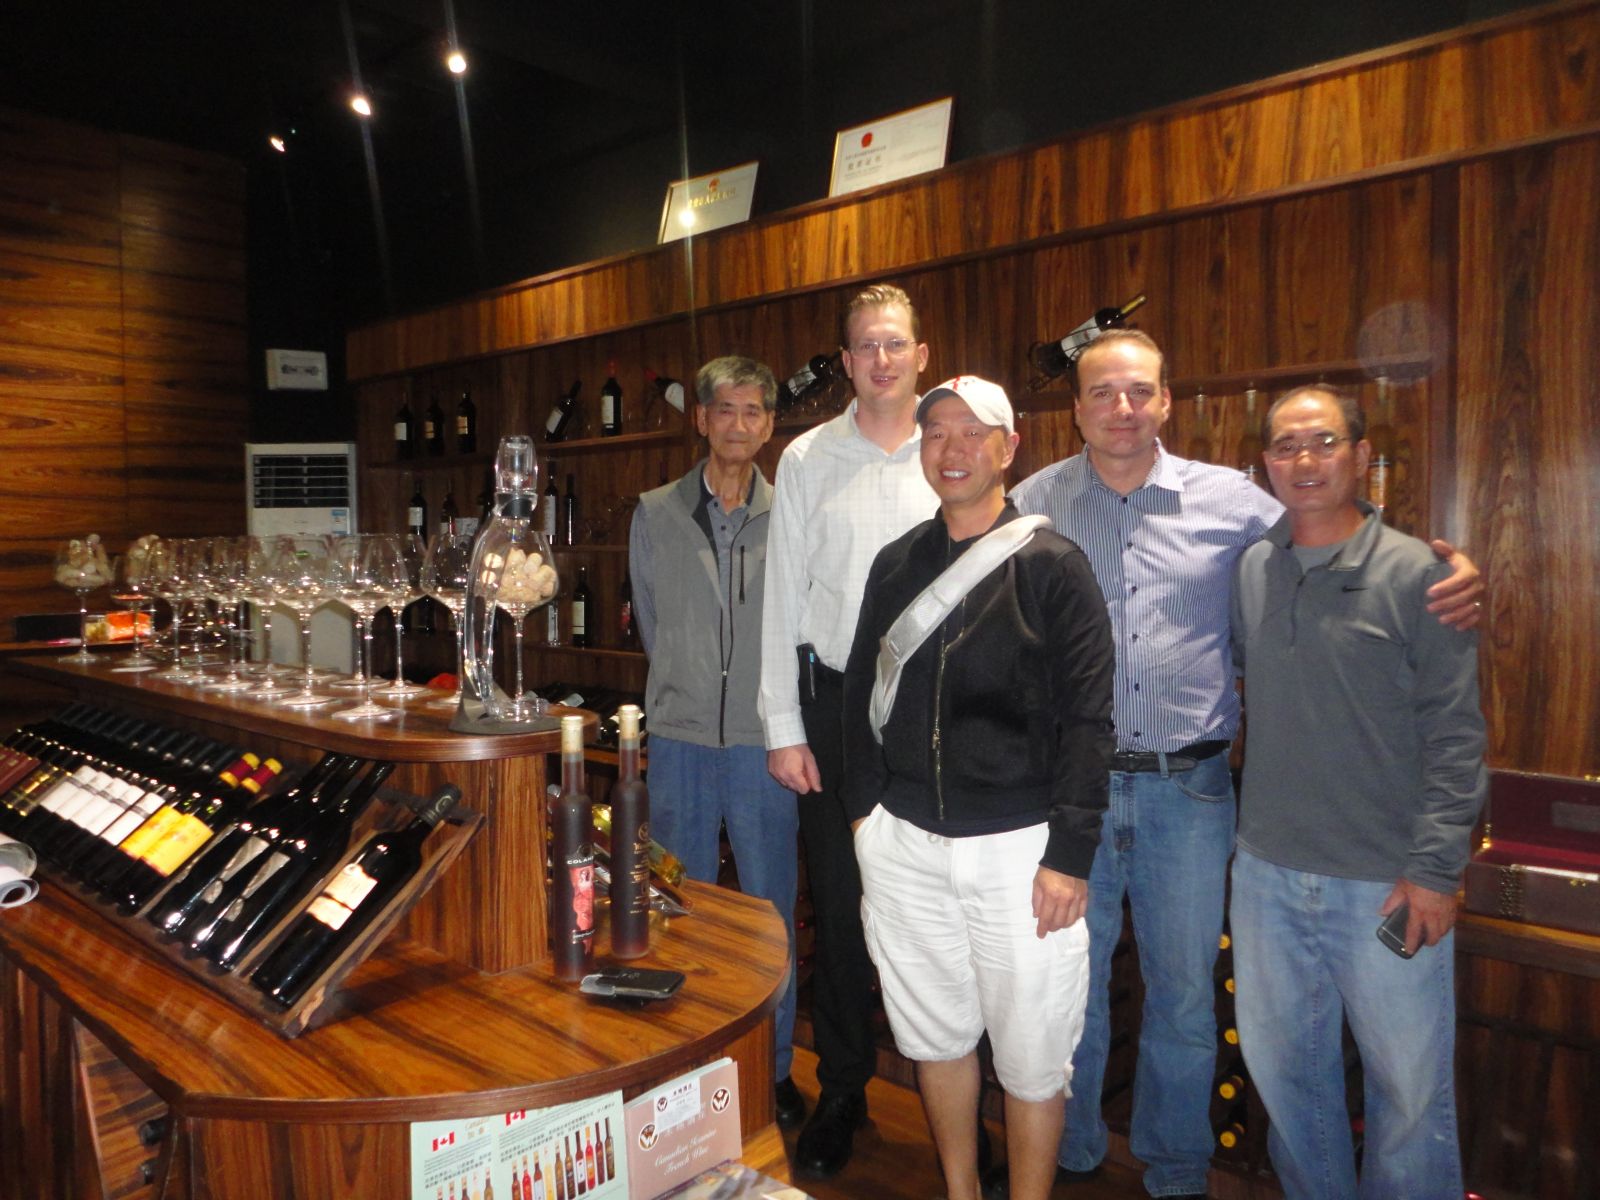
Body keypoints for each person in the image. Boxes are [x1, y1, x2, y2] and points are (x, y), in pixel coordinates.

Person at [1004, 330, 1483, 1199]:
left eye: (1140, 391)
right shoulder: (1034, 503)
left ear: (1166, 402)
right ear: (1075, 409)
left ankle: (1177, 1169)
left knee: (1186, 999)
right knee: (1063, 989)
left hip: (1190, 792)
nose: (1122, 408)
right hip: (1072, 793)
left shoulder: (1235, 503)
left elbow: (1335, 537)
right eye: (1102, 392)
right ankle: (1068, 1153)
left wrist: (1445, 570)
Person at [842, 376, 1114, 1200]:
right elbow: (858, 697)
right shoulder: (897, 563)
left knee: (1033, 1060)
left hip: (1020, 853)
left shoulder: (1054, 566)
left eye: (972, 432)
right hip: (905, 843)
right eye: (936, 433)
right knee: (935, 1038)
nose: (952, 449)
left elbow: (1088, 721)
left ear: (1008, 448)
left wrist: (1070, 854)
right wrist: (864, 816)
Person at [1228, 384, 1486, 1198]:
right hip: (1265, 876)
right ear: (1265, 463)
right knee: (1287, 1083)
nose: (1304, 460)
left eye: (1324, 442)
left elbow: (1456, 736)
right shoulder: (1253, 569)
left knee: (1408, 1095)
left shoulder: (1421, 575)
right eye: (1285, 446)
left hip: (1385, 884)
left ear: (1362, 455)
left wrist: (1436, 871)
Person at [759, 282, 938, 1178]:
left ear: (921, 355)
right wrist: (782, 727)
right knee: (837, 906)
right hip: (832, 705)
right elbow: (781, 598)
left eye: (894, 343)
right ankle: (842, 1089)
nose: (881, 359)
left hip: (932, 709)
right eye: (865, 345)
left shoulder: (952, 447)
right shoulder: (807, 458)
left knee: (935, 910)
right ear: (845, 362)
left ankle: (955, 1106)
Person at [627, 355, 804, 1128]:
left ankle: (775, 1067)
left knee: (769, 912)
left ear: (770, 425)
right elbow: (653, 622)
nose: (738, 424)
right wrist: (690, 687)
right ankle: (687, 1068)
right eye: (724, 409)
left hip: (768, 745)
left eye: (753, 411)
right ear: (700, 419)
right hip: (680, 743)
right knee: (679, 908)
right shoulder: (655, 512)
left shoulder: (792, 511)